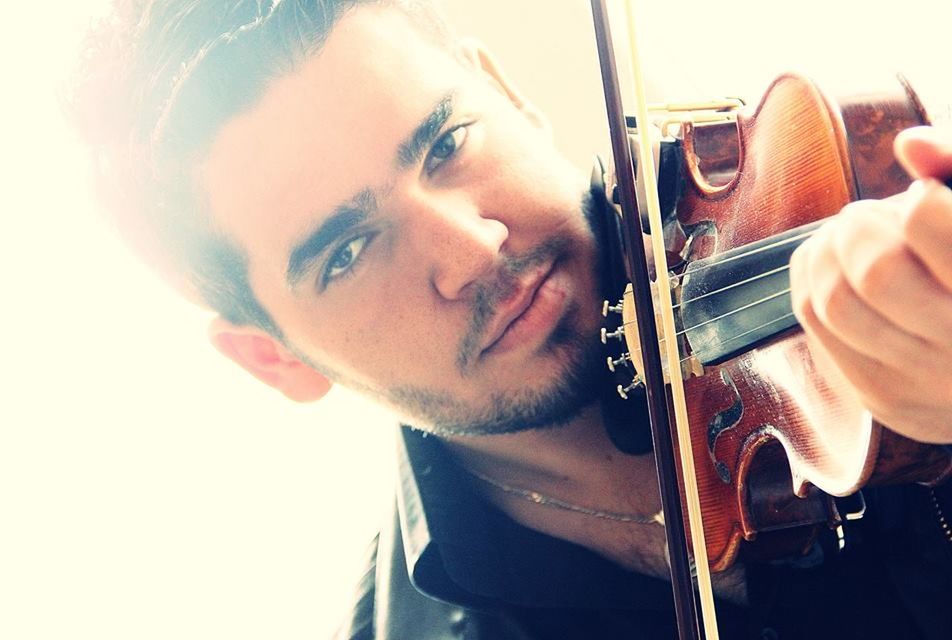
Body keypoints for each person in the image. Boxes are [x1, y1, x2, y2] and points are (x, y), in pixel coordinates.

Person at [71, 1, 952, 638]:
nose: (473, 250)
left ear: (504, 92)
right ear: (272, 359)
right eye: (347, 251)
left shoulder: (811, 192)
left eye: (446, 143)